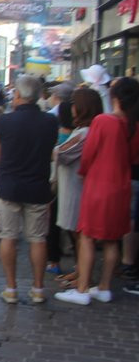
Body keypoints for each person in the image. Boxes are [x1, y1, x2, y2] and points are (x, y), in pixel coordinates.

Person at [56, 77, 139, 305]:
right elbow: (133, 158)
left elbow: (89, 153)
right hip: (121, 186)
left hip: (98, 184)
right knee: (112, 239)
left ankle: (82, 289)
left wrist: (84, 171)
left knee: (88, 237)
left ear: (116, 97)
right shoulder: (133, 125)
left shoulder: (103, 121)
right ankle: (103, 287)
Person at [0, 74, 58, 305]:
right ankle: (38, 289)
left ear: (17, 95)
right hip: (38, 186)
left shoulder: (5, 121)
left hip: (9, 186)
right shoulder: (50, 122)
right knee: (38, 239)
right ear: (39, 95)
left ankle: (11, 288)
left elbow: (0, 145)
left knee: (8, 237)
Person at [53, 87, 100, 283]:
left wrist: (52, 149)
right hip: (72, 184)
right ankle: (79, 271)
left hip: (75, 187)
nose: (71, 107)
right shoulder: (82, 131)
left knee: (80, 234)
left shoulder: (85, 132)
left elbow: (61, 153)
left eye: (74, 104)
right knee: (76, 234)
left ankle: (83, 276)